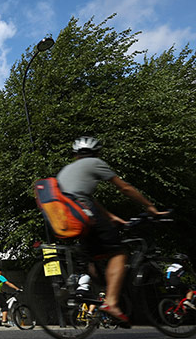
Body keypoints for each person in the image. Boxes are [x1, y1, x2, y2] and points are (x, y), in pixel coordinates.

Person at [56, 136, 168, 323]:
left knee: (94, 254)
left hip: (69, 216)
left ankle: (87, 287)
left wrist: (109, 216)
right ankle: (112, 302)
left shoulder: (66, 170)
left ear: (75, 155)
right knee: (118, 252)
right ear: (97, 152)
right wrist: (150, 207)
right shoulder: (96, 163)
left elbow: (85, 198)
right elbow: (125, 188)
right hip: (84, 211)